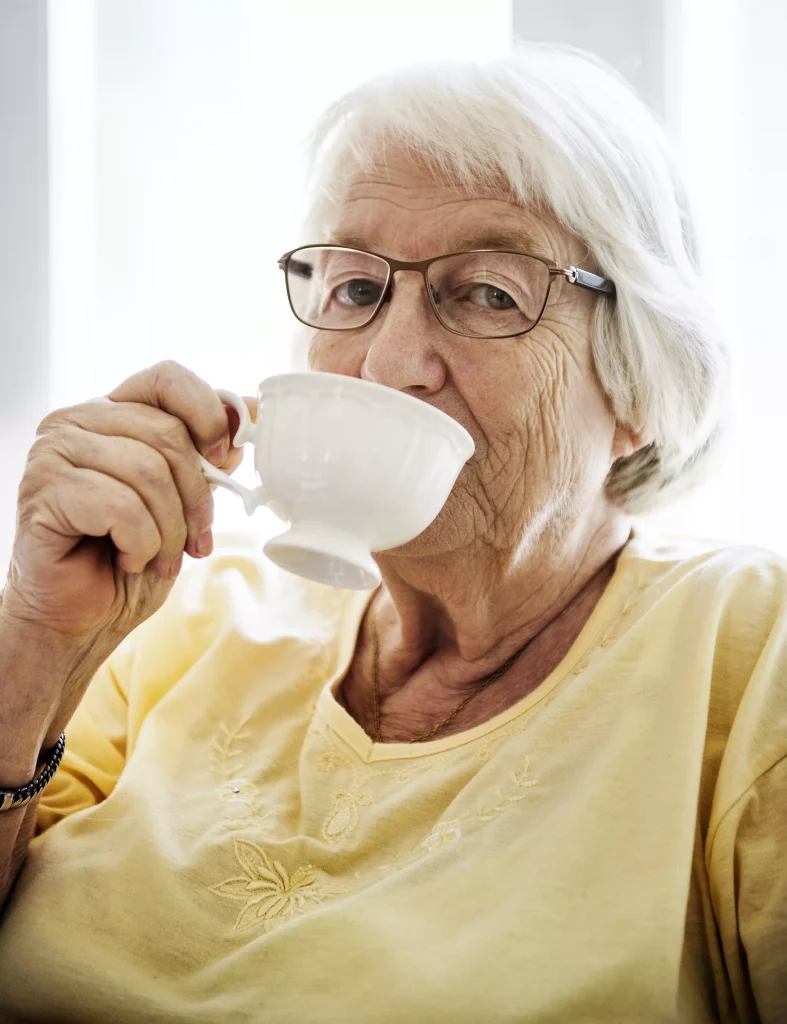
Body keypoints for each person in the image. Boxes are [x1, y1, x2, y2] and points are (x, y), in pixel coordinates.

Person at [0, 43, 784, 1024]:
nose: (388, 361)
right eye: (356, 290)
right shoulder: (180, 622)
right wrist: (32, 644)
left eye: (488, 292)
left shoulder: (750, 655)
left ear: (639, 384)